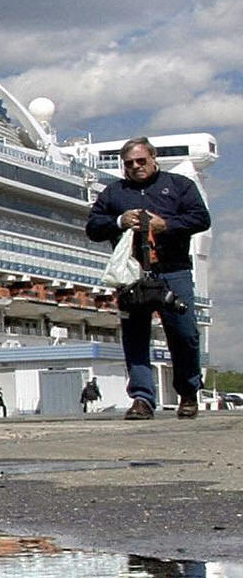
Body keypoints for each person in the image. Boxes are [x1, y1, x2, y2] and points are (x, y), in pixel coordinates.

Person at [87, 137, 210, 419]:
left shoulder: (179, 186)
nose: (136, 167)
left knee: (184, 333)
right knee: (135, 336)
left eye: (141, 161)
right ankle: (142, 398)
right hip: (133, 274)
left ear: (153, 158)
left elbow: (201, 219)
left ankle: (188, 391)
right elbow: (92, 227)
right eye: (129, 163)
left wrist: (165, 225)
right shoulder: (113, 193)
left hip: (173, 270)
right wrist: (119, 221)